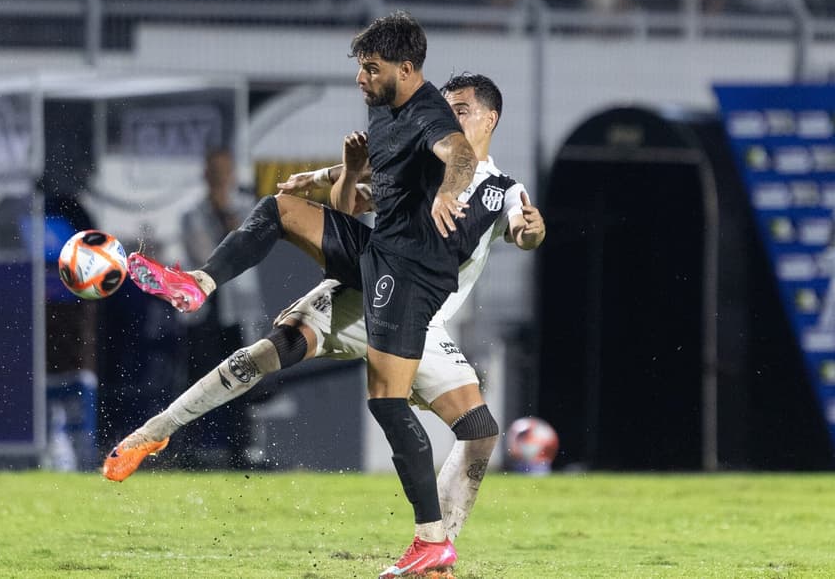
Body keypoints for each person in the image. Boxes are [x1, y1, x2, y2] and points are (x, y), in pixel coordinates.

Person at [107, 74, 545, 552]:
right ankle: (152, 433)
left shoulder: (500, 187)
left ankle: (440, 546)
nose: (448, 120)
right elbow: (346, 208)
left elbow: (524, 231)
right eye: (445, 111)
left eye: (459, 111)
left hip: (421, 322)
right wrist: (347, 175)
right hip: (364, 292)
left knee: (479, 432)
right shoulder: (419, 164)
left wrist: (532, 231)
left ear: (490, 118)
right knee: (268, 353)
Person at [177, 147, 266, 468]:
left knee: (240, 378)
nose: (219, 178)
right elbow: (207, 257)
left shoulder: (245, 210)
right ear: (205, 174)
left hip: (236, 312)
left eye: (224, 171)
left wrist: (231, 223)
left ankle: (240, 450)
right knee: (198, 379)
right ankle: (190, 449)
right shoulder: (192, 213)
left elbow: (250, 250)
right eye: (214, 171)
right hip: (205, 310)